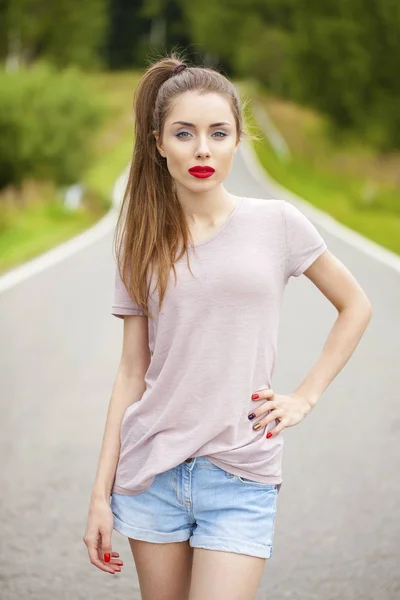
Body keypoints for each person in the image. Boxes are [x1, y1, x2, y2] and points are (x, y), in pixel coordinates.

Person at [83, 51, 372, 600]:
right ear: (157, 141)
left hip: (241, 472)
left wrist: (304, 398)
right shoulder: (141, 242)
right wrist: (100, 494)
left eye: (218, 133)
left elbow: (355, 305)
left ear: (239, 139)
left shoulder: (278, 223)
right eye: (184, 133)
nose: (202, 149)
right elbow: (130, 374)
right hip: (153, 474)